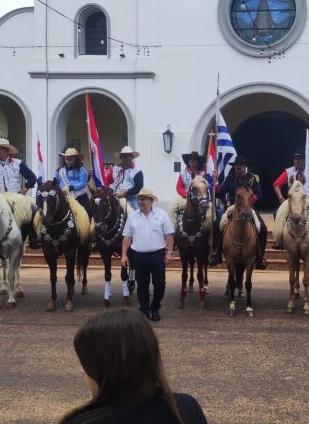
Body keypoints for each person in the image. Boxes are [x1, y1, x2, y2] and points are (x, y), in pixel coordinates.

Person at [59, 308, 208, 424]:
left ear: (104, 369)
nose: (83, 371)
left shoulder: (81, 421)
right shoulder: (185, 408)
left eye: (85, 364)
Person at [120, 188, 174, 322]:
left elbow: (169, 235)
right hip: (138, 256)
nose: (140, 201)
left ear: (151, 200)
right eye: (139, 199)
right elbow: (127, 237)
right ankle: (144, 310)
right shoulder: (132, 216)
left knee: (160, 283)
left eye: (143, 199)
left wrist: (170, 253)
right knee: (142, 285)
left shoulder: (162, 215)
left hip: (157, 255)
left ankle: (155, 308)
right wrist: (124, 255)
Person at [0, 138, 39, 251]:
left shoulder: (18, 163)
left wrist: (25, 189)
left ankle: (33, 238)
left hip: (15, 197)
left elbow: (32, 177)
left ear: (7, 151)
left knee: (32, 210)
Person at [208, 155, 268, 269]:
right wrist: (215, 183)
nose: (238, 167)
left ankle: (260, 258)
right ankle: (217, 253)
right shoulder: (229, 178)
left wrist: (250, 200)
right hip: (233, 208)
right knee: (217, 224)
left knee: (263, 228)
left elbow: (259, 194)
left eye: (240, 165)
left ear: (245, 166)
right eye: (236, 165)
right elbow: (220, 193)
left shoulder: (253, 178)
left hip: (248, 207)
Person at [273, 147, 309, 243]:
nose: (296, 161)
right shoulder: (289, 171)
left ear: (305, 160)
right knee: (276, 213)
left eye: (299, 159)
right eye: (295, 159)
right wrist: (280, 197)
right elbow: (276, 184)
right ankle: (280, 240)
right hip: (293, 201)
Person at [55, 148, 91, 216]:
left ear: (75, 158)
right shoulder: (59, 170)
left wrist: (70, 188)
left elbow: (83, 183)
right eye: (67, 156)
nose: (68, 158)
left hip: (80, 196)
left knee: (88, 212)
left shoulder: (81, 169)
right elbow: (55, 182)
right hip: (64, 196)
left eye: (71, 156)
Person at [110, 146, 143, 211]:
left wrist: (127, 191)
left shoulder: (137, 171)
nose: (127, 158)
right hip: (114, 196)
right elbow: (109, 182)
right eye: (124, 156)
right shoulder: (115, 168)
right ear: (121, 157)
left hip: (130, 197)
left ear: (132, 157)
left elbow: (139, 186)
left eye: (129, 156)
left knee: (138, 212)